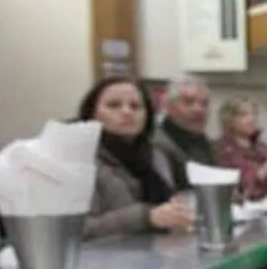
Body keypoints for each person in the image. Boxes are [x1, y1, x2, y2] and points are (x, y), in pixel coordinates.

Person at [77, 77, 194, 239]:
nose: (127, 112)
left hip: (160, 253)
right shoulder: (77, 159)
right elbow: (73, 231)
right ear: (92, 114)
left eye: (136, 106)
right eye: (113, 105)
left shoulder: (157, 155)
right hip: (101, 260)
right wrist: (145, 217)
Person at [214, 96, 267, 201]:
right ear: (230, 119)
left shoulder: (263, 147)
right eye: (244, 115)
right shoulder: (220, 149)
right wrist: (260, 174)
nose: (252, 119)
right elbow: (229, 187)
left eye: (254, 114)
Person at [154, 75, 215, 182]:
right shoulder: (156, 145)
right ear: (169, 106)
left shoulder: (206, 143)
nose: (198, 109)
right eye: (189, 102)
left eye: (204, 104)